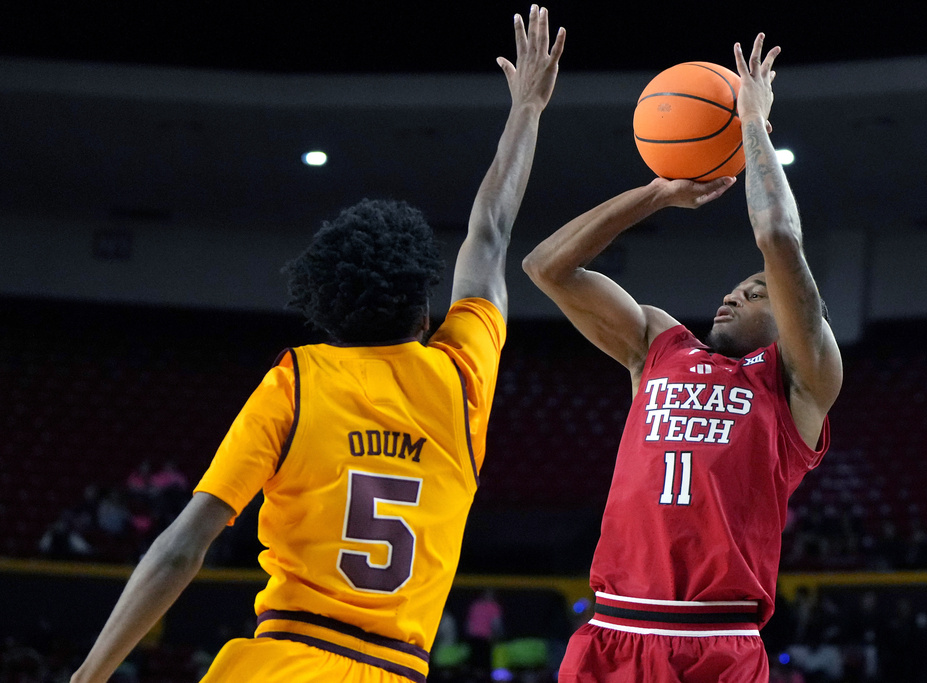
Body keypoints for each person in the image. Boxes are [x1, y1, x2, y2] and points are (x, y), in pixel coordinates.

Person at [70, 7, 565, 683]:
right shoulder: (460, 376)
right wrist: (527, 110)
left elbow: (184, 546)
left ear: (328, 312)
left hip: (275, 662)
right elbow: (491, 233)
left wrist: (88, 674)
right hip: (393, 667)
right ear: (424, 305)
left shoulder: (296, 382)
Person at [523, 34, 842, 682]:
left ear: (793, 319)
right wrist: (657, 194)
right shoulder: (661, 344)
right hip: (611, 630)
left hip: (715, 642)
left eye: (757, 291)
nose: (734, 292)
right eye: (736, 284)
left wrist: (751, 121)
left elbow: (778, 234)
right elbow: (546, 267)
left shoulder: (799, 384)